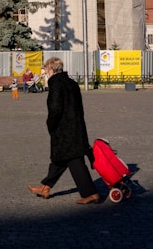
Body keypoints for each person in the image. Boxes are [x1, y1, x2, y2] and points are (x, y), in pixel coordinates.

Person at [28, 57, 100, 205]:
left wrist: (51, 124)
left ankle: (91, 193)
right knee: (60, 159)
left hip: (63, 129)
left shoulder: (56, 84)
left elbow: (55, 108)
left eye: (46, 71)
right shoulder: (72, 83)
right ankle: (45, 187)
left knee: (73, 160)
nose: (46, 74)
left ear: (51, 70)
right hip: (76, 127)